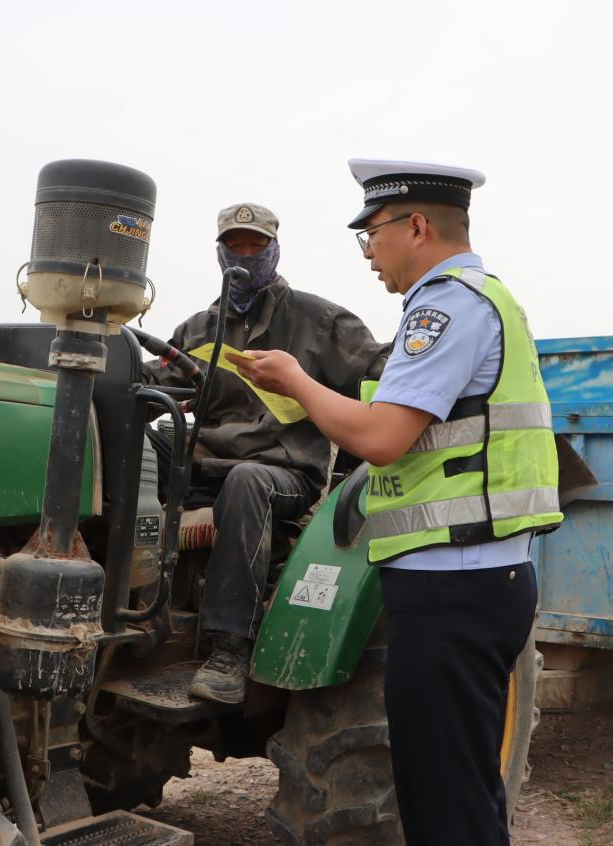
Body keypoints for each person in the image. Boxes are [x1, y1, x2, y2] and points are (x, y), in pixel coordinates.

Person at [231, 160, 562, 846]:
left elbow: (382, 437)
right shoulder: (475, 300)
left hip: (455, 588)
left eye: (371, 235)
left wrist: (295, 377)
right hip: (465, 581)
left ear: (415, 225)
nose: (368, 255)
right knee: (451, 787)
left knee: (445, 802)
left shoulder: (447, 306)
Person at [144, 202, 387, 705]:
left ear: (275, 249)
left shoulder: (319, 321)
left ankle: (229, 647)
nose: (246, 254)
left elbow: (381, 373)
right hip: (205, 462)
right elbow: (153, 384)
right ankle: (128, 606)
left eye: (256, 245)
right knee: (131, 446)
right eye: (236, 246)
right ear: (220, 252)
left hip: (283, 473)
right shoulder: (198, 330)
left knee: (248, 480)